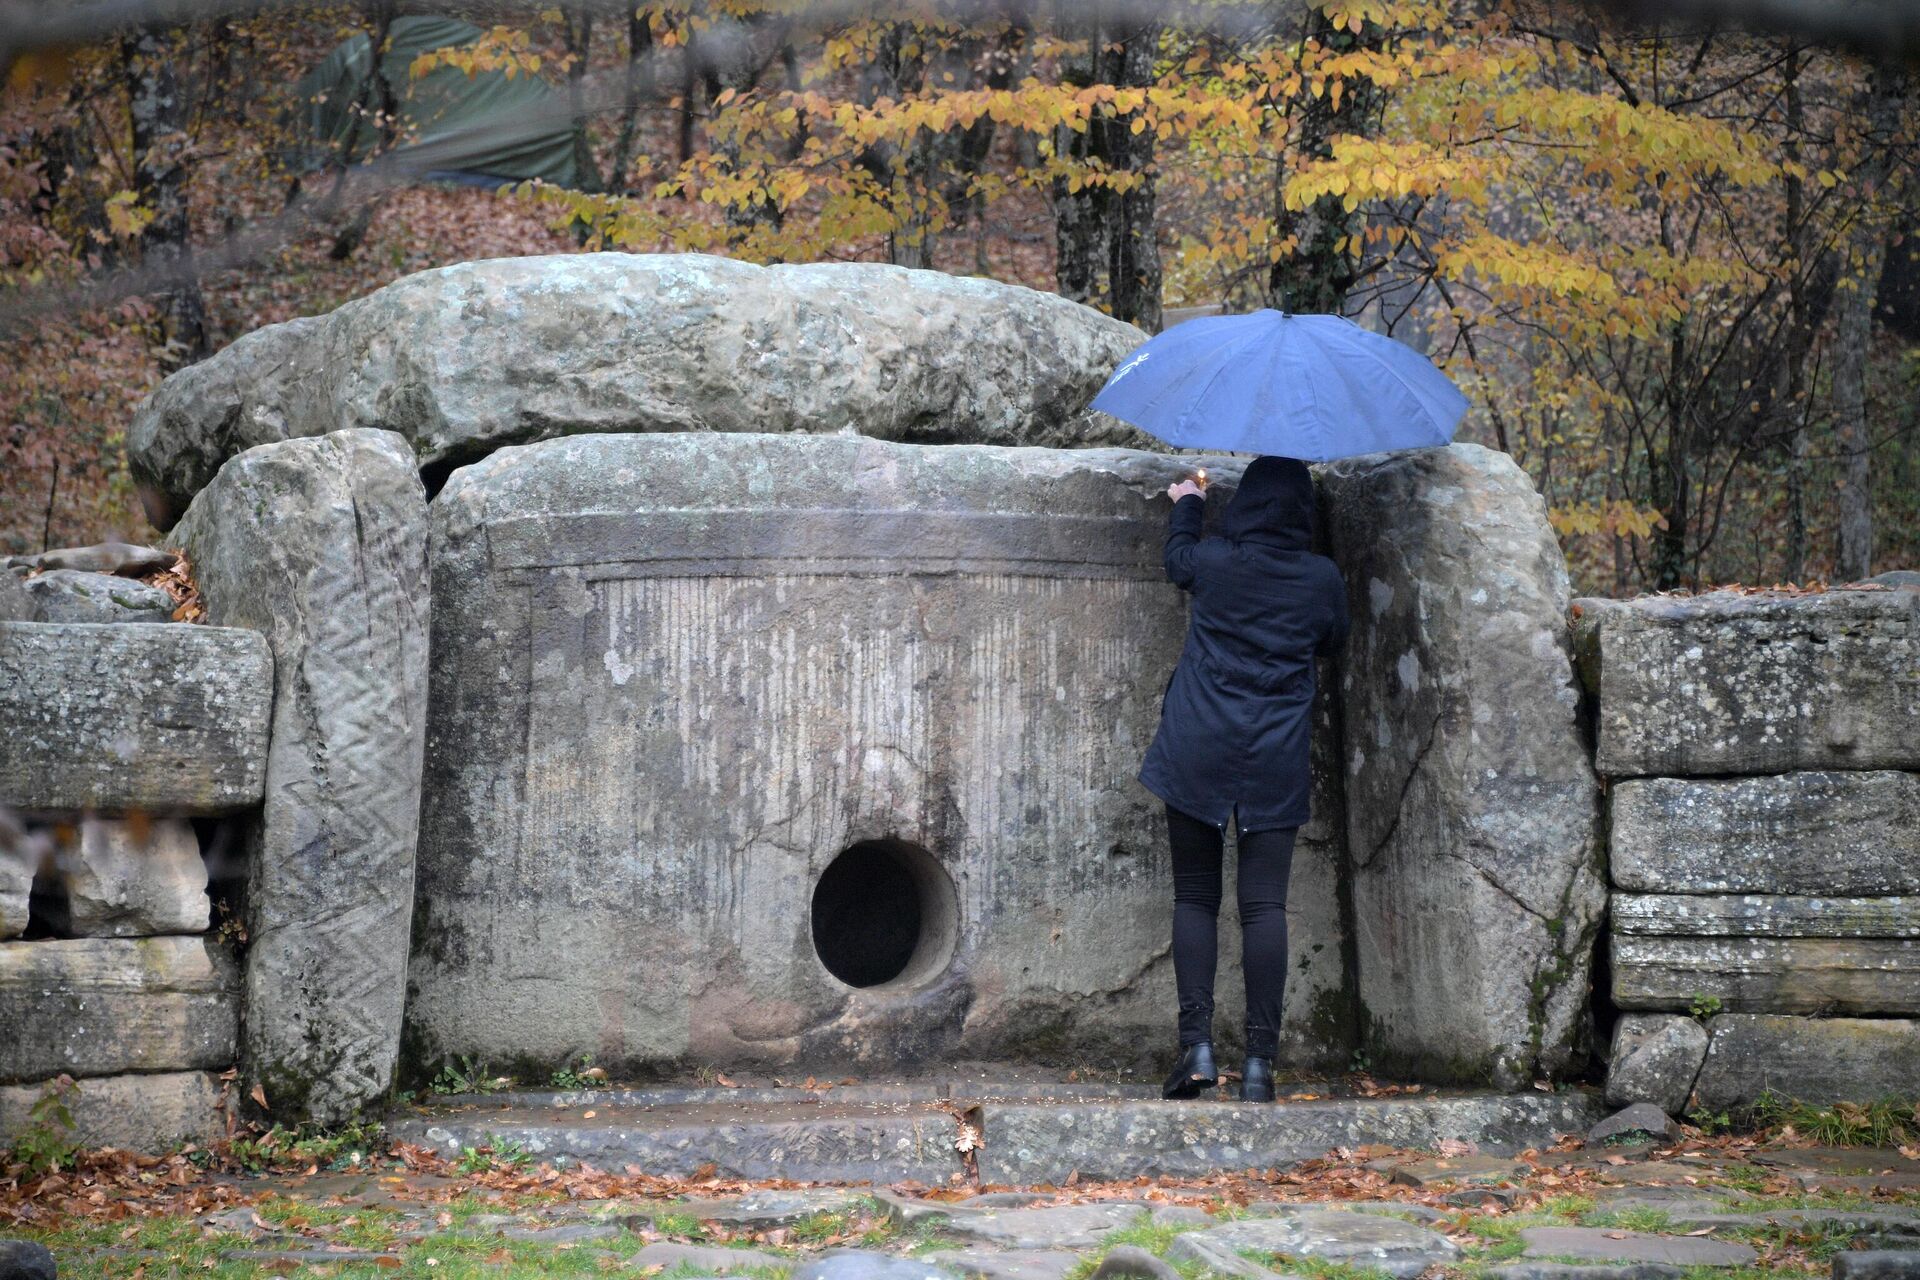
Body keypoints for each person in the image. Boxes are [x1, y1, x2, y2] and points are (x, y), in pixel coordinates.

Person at [1138, 455, 1349, 1103]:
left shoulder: (1219, 561)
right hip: (1274, 753)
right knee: (1263, 907)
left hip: (1197, 742)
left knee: (1196, 897)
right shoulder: (1322, 579)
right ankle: (1259, 1066)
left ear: (1247, 505)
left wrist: (1190, 498)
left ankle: (1196, 1049)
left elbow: (1178, 560)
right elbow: (1332, 642)